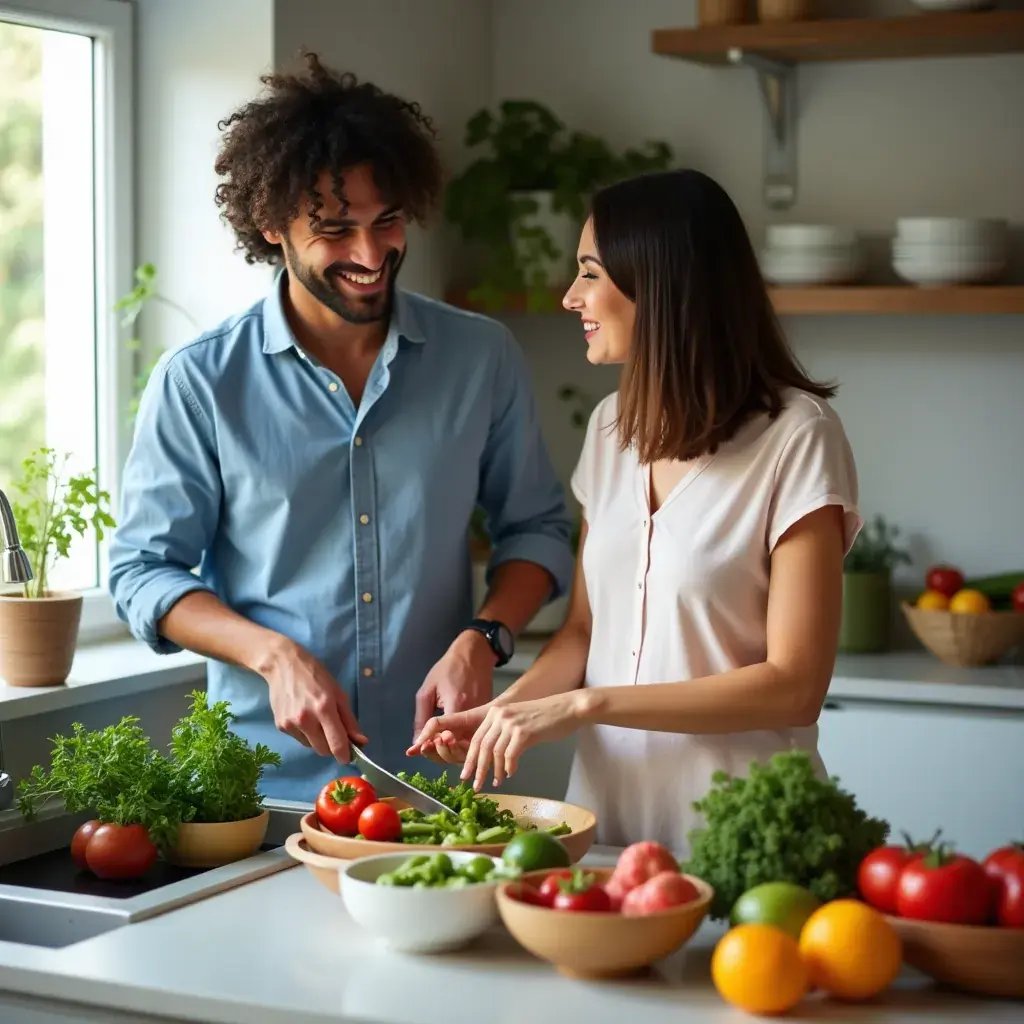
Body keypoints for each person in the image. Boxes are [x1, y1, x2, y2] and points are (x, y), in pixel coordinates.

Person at [108, 54, 574, 801]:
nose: (370, 254)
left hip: (437, 790)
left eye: (386, 221)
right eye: (335, 231)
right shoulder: (200, 381)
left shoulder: (479, 357)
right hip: (261, 794)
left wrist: (485, 637)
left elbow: (540, 530)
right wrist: (271, 655)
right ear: (271, 227)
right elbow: (141, 571)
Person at [410, 168, 862, 854]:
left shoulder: (799, 436)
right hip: (604, 829)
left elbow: (794, 685)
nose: (571, 297)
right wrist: (504, 713)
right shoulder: (609, 429)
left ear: (661, 285)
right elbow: (585, 632)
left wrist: (588, 704)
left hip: (743, 832)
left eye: (590, 272)